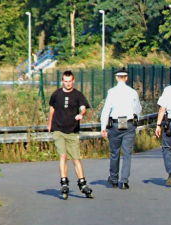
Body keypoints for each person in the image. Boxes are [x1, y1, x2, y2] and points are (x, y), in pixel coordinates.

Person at [48, 70, 93, 199]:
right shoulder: (56, 94)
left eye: (70, 81)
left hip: (72, 130)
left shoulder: (78, 95)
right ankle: (64, 182)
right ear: (62, 81)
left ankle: (82, 183)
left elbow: (83, 107)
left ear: (73, 81)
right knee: (63, 155)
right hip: (58, 129)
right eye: (65, 81)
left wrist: (81, 114)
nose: (68, 84)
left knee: (76, 159)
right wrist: (49, 123)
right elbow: (52, 108)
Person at [100, 67, 142, 189]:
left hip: (115, 124)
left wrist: (103, 126)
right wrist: (136, 121)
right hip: (129, 124)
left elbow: (106, 109)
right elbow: (138, 109)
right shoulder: (133, 92)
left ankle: (113, 179)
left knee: (115, 153)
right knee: (127, 154)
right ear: (126, 78)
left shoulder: (111, 92)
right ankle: (124, 180)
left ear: (117, 78)